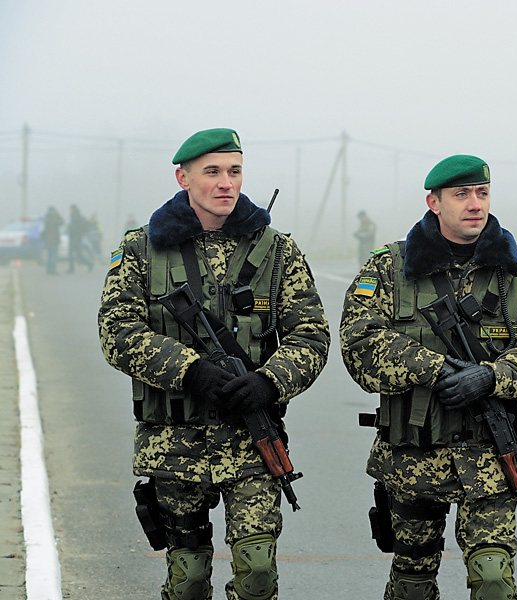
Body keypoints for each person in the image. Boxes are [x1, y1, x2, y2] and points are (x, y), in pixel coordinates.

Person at [98, 128, 330, 600]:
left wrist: (270, 381)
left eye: (235, 171)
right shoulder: (142, 249)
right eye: (213, 172)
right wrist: (189, 369)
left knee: (258, 572)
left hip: (253, 439)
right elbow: (116, 329)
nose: (226, 182)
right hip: (174, 443)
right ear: (183, 177)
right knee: (187, 579)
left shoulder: (278, 251)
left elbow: (312, 334)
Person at [340, 155, 517, 600]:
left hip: (489, 455)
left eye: (482, 193)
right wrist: (434, 368)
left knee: (493, 579)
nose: (474, 204)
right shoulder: (389, 268)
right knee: (412, 581)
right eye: (461, 194)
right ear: (434, 202)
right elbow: (358, 345)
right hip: (412, 455)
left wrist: (491, 376)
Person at [67, 204, 92, 272]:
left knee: (73, 253)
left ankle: (72, 268)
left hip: (75, 238)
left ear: (73, 209)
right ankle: (88, 264)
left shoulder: (76, 217)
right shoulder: (74, 216)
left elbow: (76, 228)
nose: (70, 211)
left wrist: (74, 232)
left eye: (71, 209)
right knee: (77, 254)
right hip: (75, 237)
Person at [41, 206, 64, 274]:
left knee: (49, 255)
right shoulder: (54, 217)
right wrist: (59, 215)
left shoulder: (47, 217)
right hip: (54, 240)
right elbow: (61, 223)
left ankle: (48, 270)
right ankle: (53, 270)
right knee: (54, 255)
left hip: (48, 240)